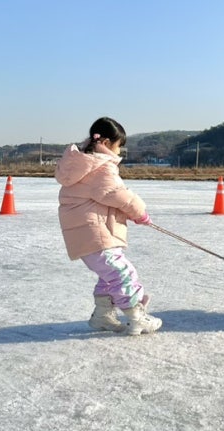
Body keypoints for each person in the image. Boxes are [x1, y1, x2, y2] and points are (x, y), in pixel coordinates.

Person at [55, 116, 162, 335]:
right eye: (118, 145)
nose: (119, 151)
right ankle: (136, 316)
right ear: (104, 143)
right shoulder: (100, 167)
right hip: (95, 231)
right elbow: (117, 195)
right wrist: (140, 213)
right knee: (122, 272)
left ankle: (103, 316)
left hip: (86, 232)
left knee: (109, 275)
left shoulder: (82, 164)